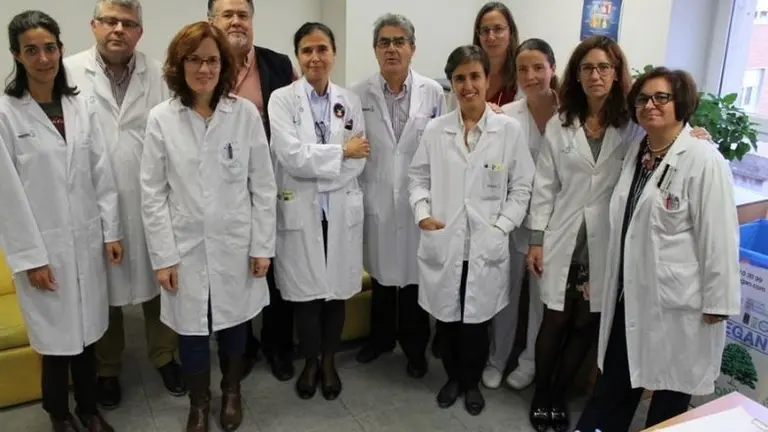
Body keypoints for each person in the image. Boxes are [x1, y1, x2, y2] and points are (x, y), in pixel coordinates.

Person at [526, 36, 710, 432]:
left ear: (616, 74)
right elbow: (544, 186)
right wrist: (536, 239)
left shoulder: (632, 126)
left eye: (604, 67)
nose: (595, 75)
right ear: (577, 75)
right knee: (555, 319)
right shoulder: (561, 124)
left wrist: (695, 136)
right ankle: (542, 394)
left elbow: (669, 140)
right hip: (563, 236)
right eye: (587, 68)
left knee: (585, 324)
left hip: (607, 243)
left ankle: (559, 394)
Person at [574, 67, 740, 432]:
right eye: (643, 99)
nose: (650, 105)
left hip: (681, 304)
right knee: (614, 385)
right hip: (630, 295)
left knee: (670, 399)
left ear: (681, 103)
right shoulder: (638, 151)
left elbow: (720, 237)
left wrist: (718, 302)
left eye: (661, 97)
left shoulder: (703, 159)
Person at [140, 22, 276, 432]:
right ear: (179, 64)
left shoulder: (244, 114)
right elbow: (152, 193)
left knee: (235, 321)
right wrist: (163, 257)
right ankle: (199, 403)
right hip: (184, 247)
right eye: (194, 59)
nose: (204, 68)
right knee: (192, 330)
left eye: (212, 60)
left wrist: (262, 246)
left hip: (236, 242)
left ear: (224, 65)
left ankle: (231, 390)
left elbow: (263, 185)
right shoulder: (162, 118)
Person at [0, 10, 122, 432]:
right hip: (44, 247)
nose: (43, 58)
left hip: (85, 240)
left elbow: (101, 173)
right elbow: (7, 196)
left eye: (49, 48)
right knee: (56, 343)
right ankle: (59, 415)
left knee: (87, 334)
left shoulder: (80, 105)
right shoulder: (6, 114)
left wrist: (111, 231)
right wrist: (30, 258)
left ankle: (89, 410)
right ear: (17, 55)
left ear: (60, 50)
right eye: (31, 50)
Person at [64, 0, 183, 409]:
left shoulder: (158, 74)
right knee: (103, 286)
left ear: (139, 32)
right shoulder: (69, 72)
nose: (118, 29)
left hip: (150, 195)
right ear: (94, 25)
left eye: (128, 23)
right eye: (110, 21)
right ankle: (108, 368)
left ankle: (164, 356)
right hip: (93, 199)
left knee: (161, 279)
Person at [408, 44, 535, 416]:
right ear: (451, 83)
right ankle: (452, 378)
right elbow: (417, 178)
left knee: (477, 323)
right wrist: (422, 213)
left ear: (487, 79)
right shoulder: (436, 130)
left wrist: (502, 226)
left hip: (486, 242)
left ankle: (471, 383)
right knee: (447, 320)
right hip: (446, 239)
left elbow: (522, 187)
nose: (468, 85)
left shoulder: (508, 131)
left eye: (475, 76)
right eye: (459, 78)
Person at [268, 22, 368, 402]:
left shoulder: (350, 100)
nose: (315, 57)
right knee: (306, 297)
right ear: (298, 56)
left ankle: (329, 362)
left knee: (336, 294)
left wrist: (320, 172)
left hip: (338, 211)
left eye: (322, 49)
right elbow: (290, 156)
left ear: (334, 54)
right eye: (307, 50)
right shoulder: (281, 100)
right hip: (302, 211)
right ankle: (310, 363)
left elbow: (361, 159)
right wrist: (340, 152)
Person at [207, 0, 297, 381]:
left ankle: (278, 346)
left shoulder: (279, 65)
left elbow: (297, 117)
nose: (236, 21)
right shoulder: (202, 65)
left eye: (243, 14)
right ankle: (240, 348)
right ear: (211, 20)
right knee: (231, 273)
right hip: (221, 192)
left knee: (274, 269)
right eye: (227, 14)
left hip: (271, 186)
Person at [352, 13, 445, 379]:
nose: (391, 49)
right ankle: (379, 339)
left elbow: (441, 147)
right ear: (375, 50)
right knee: (380, 277)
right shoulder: (358, 94)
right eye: (384, 42)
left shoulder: (433, 92)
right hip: (376, 198)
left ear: (412, 48)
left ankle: (414, 348)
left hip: (416, 202)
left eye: (399, 41)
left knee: (413, 280)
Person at [483, 38, 558, 390]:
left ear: (552, 69)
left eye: (538, 68)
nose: (531, 76)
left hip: (554, 225)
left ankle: (529, 362)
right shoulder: (506, 114)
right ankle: (497, 359)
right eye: (523, 69)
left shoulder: (570, 115)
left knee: (541, 301)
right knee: (506, 294)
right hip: (514, 221)